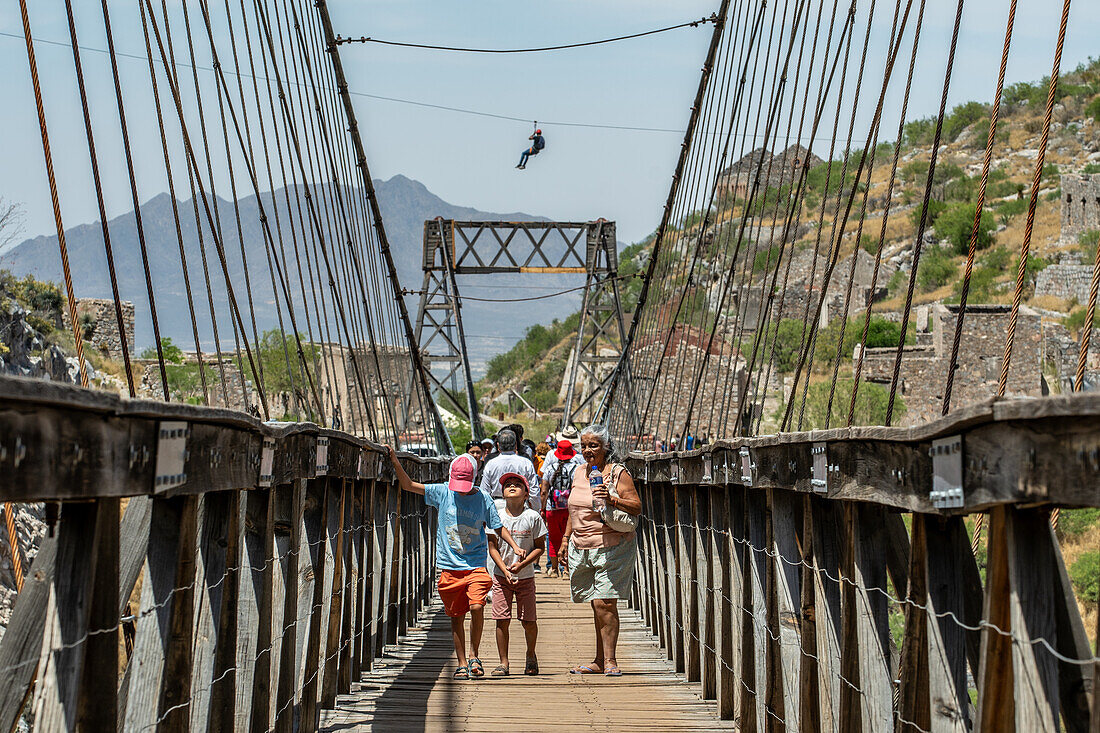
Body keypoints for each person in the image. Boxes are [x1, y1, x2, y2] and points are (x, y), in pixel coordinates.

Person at [387, 448, 523, 680]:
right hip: (450, 567)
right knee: (456, 616)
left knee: (477, 606)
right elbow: (408, 485)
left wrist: (514, 546)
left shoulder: (482, 498)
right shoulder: (443, 492)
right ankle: (462, 663)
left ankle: (474, 655)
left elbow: (497, 526)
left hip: (476, 565)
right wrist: (394, 460)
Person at [562, 425, 642, 677]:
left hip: (613, 546)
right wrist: (565, 540)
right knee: (595, 604)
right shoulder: (578, 472)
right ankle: (598, 659)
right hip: (582, 546)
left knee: (604, 602)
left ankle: (610, 660)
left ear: (606, 447)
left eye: (593, 445)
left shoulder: (618, 473)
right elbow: (574, 509)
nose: (587, 450)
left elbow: (637, 506)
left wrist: (611, 499)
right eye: (583, 445)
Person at [488, 472, 547, 676]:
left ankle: (531, 655)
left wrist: (522, 565)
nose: (512, 487)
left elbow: (540, 547)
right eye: (508, 485)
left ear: (526, 495)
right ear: (502, 494)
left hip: (526, 576)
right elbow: (492, 547)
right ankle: (503, 662)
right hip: (501, 576)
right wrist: (504, 569)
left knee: (528, 620)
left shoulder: (532, 517)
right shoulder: (497, 518)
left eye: (517, 485)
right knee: (501, 619)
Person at [539, 427, 585, 578]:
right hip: (571, 509)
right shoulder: (577, 468)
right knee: (570, 538)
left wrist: (542, 508)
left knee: (553, 539)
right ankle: (567, 570)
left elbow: (544, 491)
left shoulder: (550, 468)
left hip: (553, 507)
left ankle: (553, 569)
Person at [480, 429, 541, 511]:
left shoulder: (491, 464)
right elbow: (534, 491)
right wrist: (536, 509)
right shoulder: (526, 463)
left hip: (497, 507)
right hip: (521, 506)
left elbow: (484, 492)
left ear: (498, 446)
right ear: (516, 445)